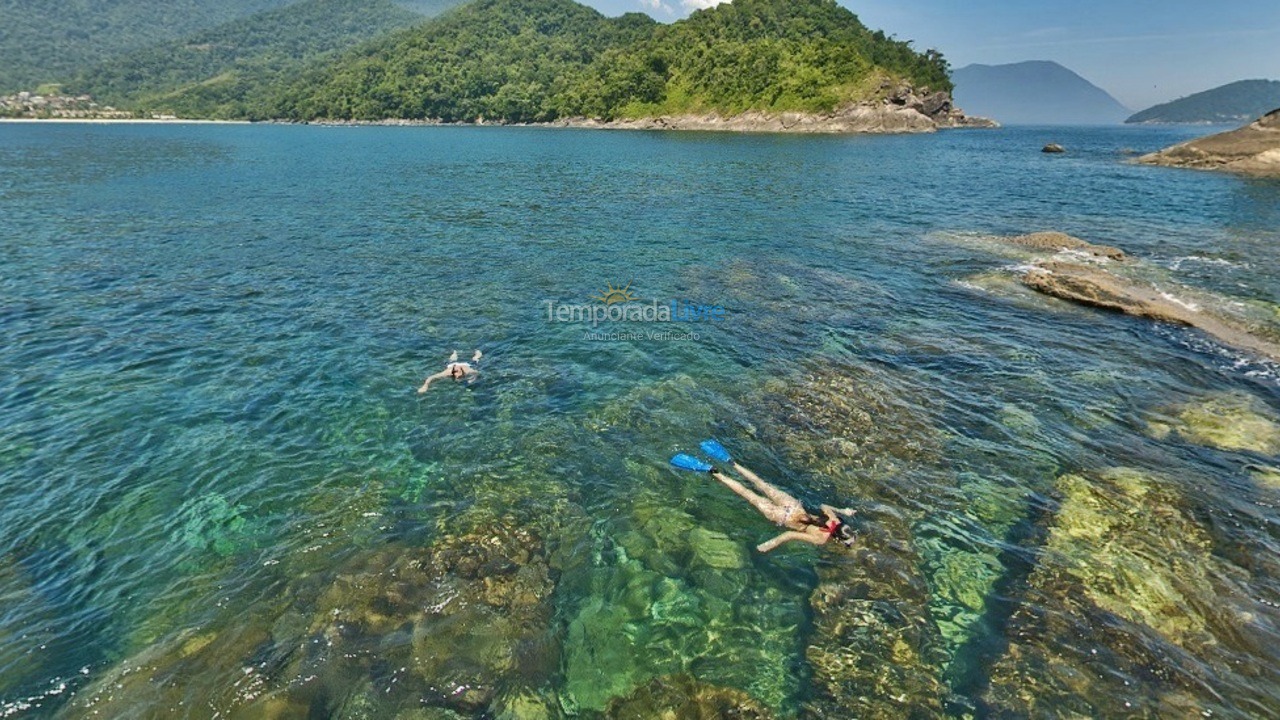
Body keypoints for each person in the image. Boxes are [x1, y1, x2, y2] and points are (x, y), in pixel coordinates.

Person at [707, 458, 855, 553]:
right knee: (748, 494)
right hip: (782, 517)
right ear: (837, 538)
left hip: (792, 505)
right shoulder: (820, 539)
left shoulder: (833, 518)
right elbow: (789, 534)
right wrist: (770, 544)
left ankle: (733, 463)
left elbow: (823, 505)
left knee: (761, 484)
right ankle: (716, 473)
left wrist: (843, 511)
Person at [417, 350, 482, 393]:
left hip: (466, 364)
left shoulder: (467, 370)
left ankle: (477, 351)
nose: (458, 377)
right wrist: (425, 386)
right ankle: (455, 352)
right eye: (457, 377)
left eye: (459, 376)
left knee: (476, 359)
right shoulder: (448, 372)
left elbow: (477, 373)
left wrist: (472, 380)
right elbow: (431, 377)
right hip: (452, 364)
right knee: (452, 359)